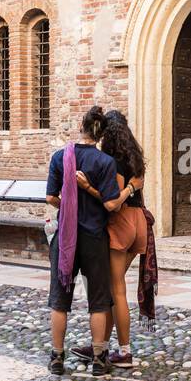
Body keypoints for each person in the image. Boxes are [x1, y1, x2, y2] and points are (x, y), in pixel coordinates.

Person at [45, 106, 139, 378]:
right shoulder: (104, 162)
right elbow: (111, 204)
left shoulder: (61, 157)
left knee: (59, 299)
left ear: (81, 127)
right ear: (100, 135)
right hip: (94, 237)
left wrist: (68, 206)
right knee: (98, 300)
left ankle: (57, 357)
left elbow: (51, 198)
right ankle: (99, 359)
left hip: (65, 237)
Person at [72, 110, 155, 366]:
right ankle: (101, 346)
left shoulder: (113, 161)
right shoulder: (134, 157)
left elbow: (114, 203)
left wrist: (88, 188)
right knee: (111, 287)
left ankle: (124, 351)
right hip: (139, 222)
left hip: (122, 222)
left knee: (116, 289)